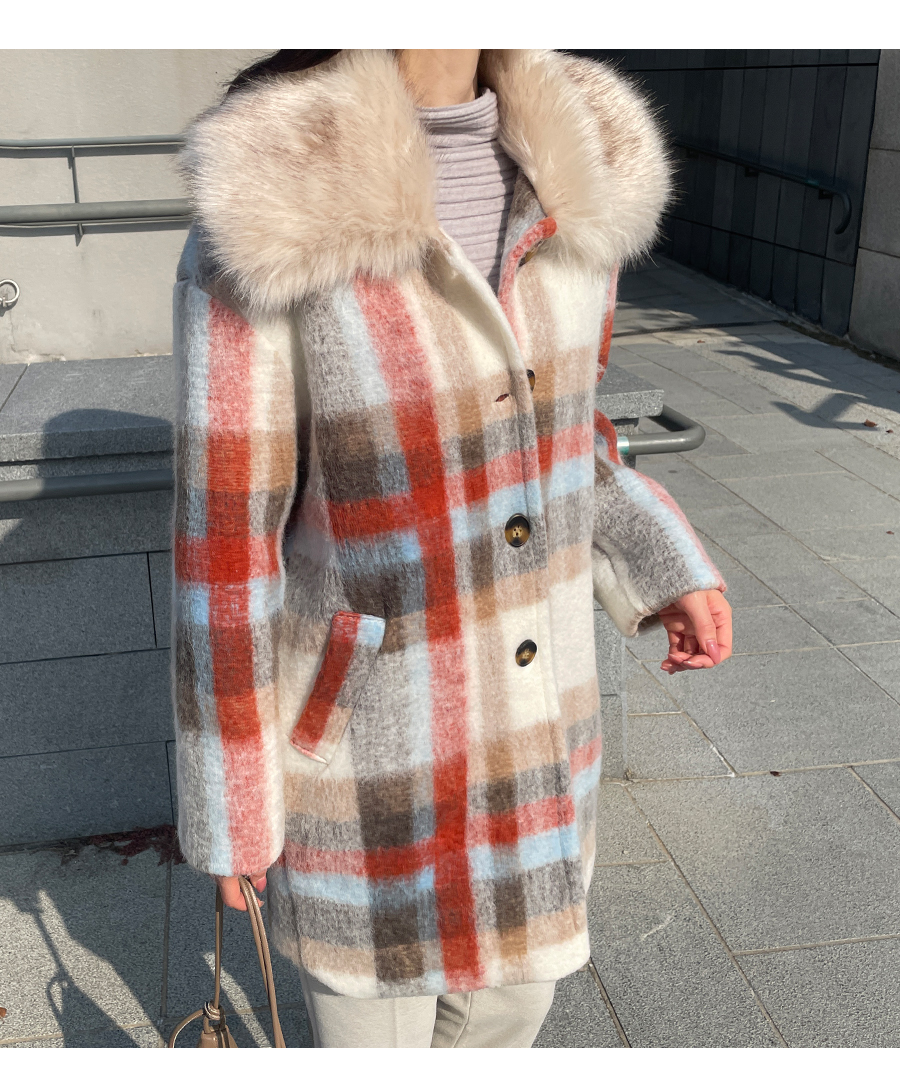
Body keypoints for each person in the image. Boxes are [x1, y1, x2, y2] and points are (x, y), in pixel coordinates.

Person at [172, 48, 732, 1048]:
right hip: (371, 758)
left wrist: (662, 560)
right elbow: (225, 541)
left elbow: (569, 430)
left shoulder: (581, 163)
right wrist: (233, 799)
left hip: (541, 729)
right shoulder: (277, 185)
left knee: (514, 1011)